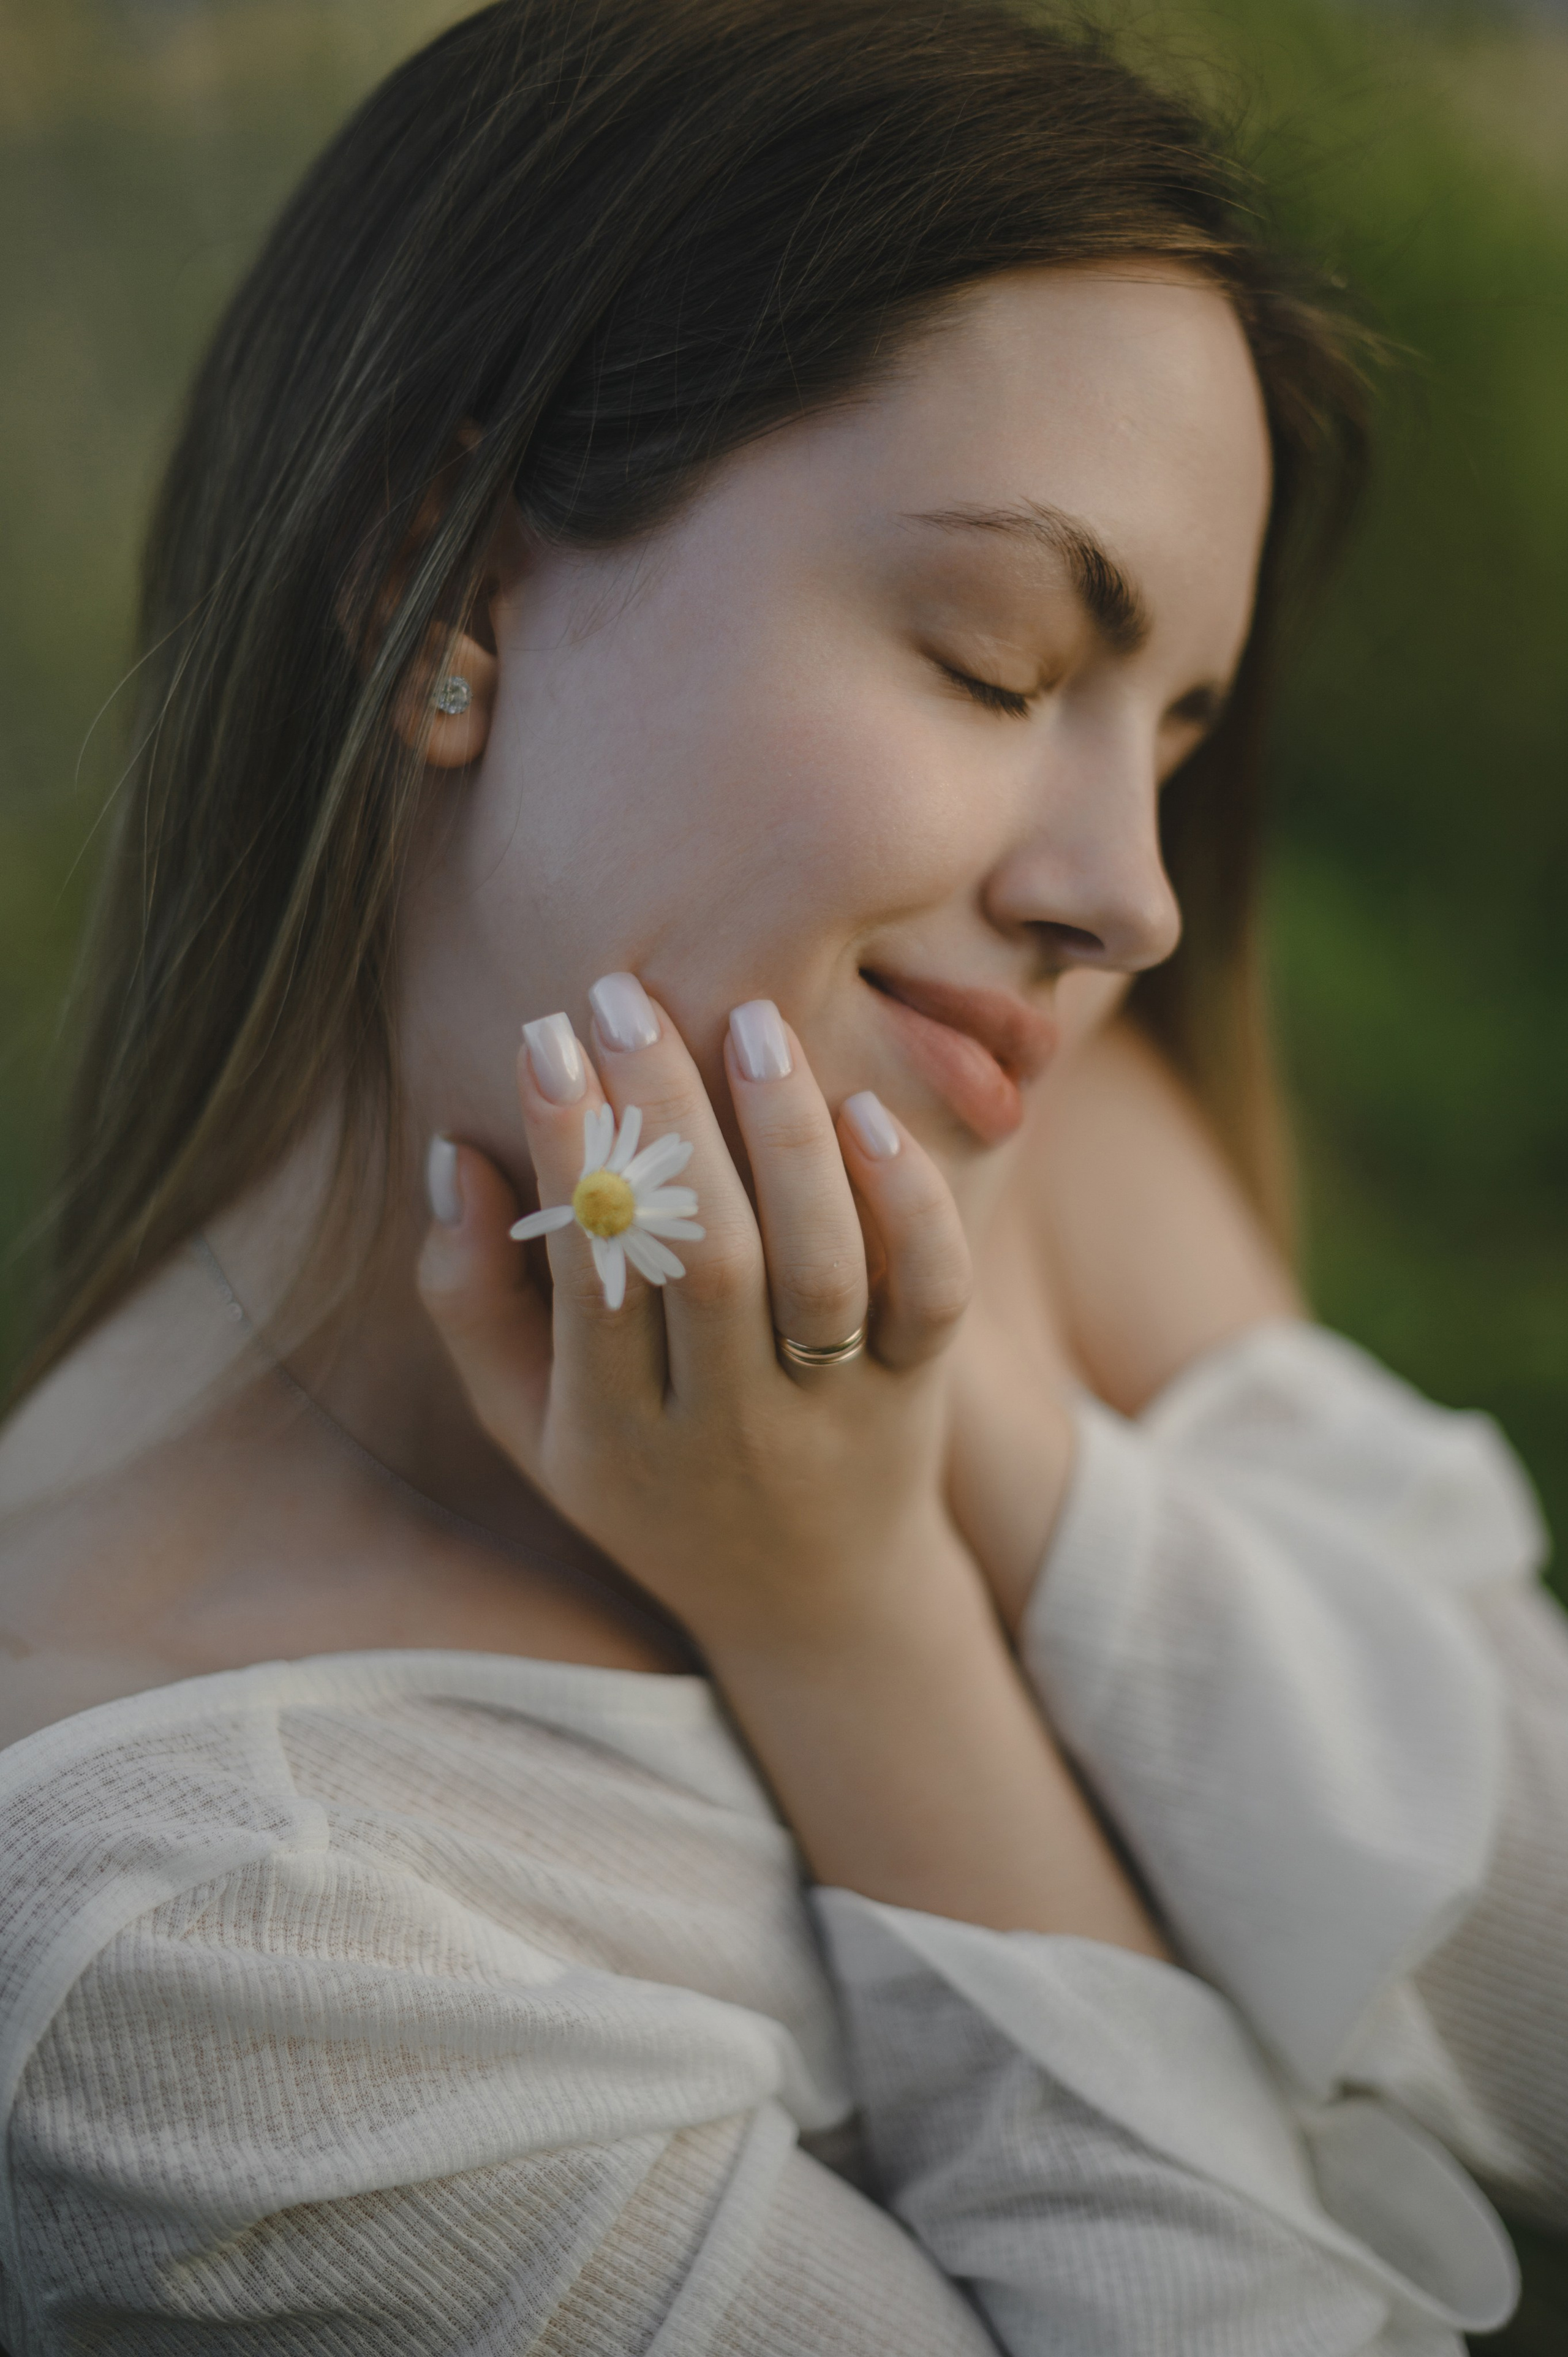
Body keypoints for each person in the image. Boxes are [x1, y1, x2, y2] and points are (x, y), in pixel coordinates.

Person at [0, 1, 1562, 2348]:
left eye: (1177, 739)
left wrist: (965, 1465)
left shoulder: (1024, 1167)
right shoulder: (199, 1915)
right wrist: (856, 1631)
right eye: (995, 657)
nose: (1128, 895)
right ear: (446, 589)